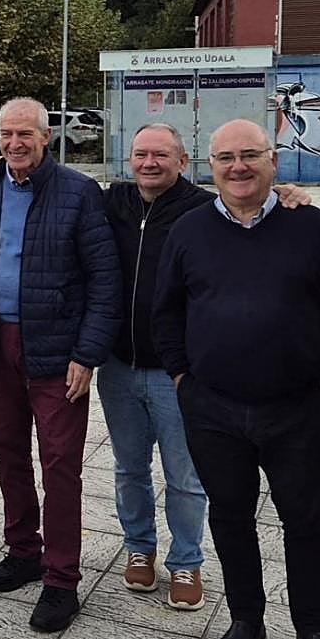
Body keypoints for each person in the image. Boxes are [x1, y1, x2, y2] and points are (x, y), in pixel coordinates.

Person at [154, 118, 320, 639]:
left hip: (296, 407)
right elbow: (165, 309)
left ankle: (314, 627)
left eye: (250, 155)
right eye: (226, 158)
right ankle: (247, 619)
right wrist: (180, 378)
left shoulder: (310, 225)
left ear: (273, 161)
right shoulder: (190, 230)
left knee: (306, 521)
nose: (238, 167)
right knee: (231, 516)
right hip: (213, 407)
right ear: (209, 167)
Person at [0, 97, 121, 632]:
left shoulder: (77, 192)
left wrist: (86, 354)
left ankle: (61, 579)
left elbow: (104, 280)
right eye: (6, 134)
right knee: (8, 454)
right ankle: (23, 550)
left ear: (47, 137)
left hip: (56, 351)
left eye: (25, 133)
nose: (14, 143)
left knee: (60, 463)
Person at [97, 124, 212, 609]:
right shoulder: (112, 202)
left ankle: (186, 560)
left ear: (182, 161)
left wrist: (288, 196)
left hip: (177, 372)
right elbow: (50, 179)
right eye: (140, 154)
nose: (149, 163)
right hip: (118, 365)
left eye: (161, 155)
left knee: (185, 475)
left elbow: (257, 206)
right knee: (129, 469)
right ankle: (139, 549)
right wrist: (0, 168)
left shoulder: (206, 210)